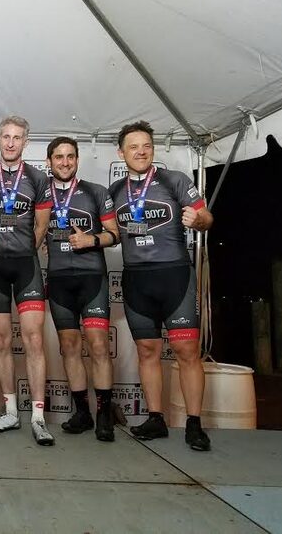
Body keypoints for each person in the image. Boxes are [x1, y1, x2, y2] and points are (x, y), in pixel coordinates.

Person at [109, 121, 214, 451]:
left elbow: (206, 216)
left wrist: (199, 221)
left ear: (152, 149)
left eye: (146, 146)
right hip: (136, 279)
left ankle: (194, 424)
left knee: (186, 352)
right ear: (121, 152)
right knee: (147, 351)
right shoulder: (114, 192)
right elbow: (106, 230)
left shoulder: (174, 180)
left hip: (175, 276)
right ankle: (156, 417)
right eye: (133, 147)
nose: (141, 152)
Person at [0, 116, 55, 445]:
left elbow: (41, 227)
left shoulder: (38, 178)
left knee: (34, 340)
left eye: (18, 138)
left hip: (26, 266)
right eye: (6, 137)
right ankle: (10, 412)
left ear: (27, 142)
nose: (11, 143)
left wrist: (23, 251)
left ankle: (38, 417)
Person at [44, 136, 120, 442]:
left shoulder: (96, 192)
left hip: (92, 279)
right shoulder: (42, 194)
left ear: (77, 160)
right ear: (49, 162)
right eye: (59, 157)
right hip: (60, 281)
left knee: (99, 346)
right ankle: (83, 412)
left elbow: (115, 234)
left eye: (70, 157)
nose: (65, 162)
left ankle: (104, 414)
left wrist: (92, 240)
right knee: (70, 348)